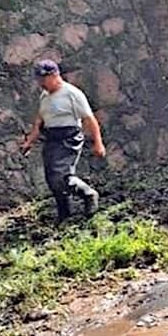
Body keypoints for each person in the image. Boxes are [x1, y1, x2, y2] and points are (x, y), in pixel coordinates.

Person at [20, 60, 105, 223]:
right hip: (51, 138)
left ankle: (88, 194)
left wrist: (98, 143)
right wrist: (30, 140)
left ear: (54, 75)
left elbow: (89, 119)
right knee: (51, 178)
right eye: (38, 80)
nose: (41, 84)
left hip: (68, 137)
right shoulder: (45, 95)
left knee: (61, 175)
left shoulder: (72, 94)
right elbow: (40, 120)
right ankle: (64, 213)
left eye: (43, 80)